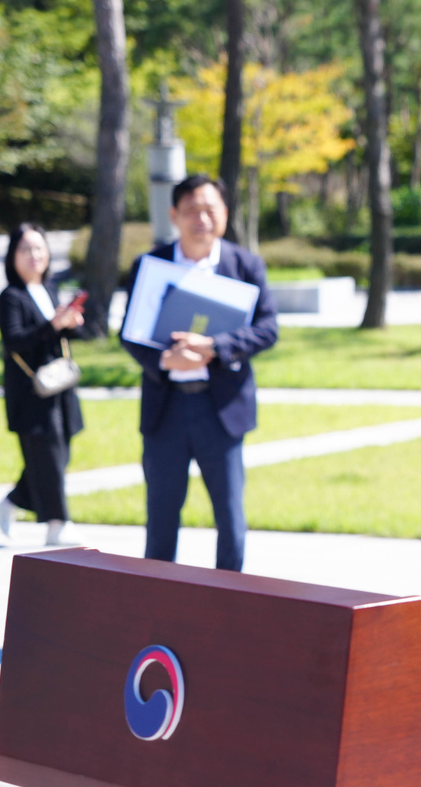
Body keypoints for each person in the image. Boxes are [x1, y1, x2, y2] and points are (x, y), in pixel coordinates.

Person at [120, 174, 278, 572]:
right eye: (192, 210)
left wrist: (215, 349)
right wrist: (162, 361)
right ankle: (157, 611)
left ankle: (228, 610)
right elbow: (130, 333)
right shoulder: (150, 265)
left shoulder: (244, 264)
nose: (201, 219)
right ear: (175, 214)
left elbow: (268, 328)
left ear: (224, 214)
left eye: (210, 209)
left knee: (229, 517)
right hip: (166, 410)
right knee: (161, 519)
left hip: (220, 409)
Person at [0, 223, 85, 545]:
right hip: (31, 392)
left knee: (59, 454)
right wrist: (52, 324)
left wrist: (69, 324)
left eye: (39, 249)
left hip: (59, 387)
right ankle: (58, 524)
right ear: (12, 256)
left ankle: (10, 502)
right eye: (26, 249)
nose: (34, 256)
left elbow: (53, 336)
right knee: (47, 455)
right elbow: (16, 340)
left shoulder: (49, 290)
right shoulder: (10, 297)